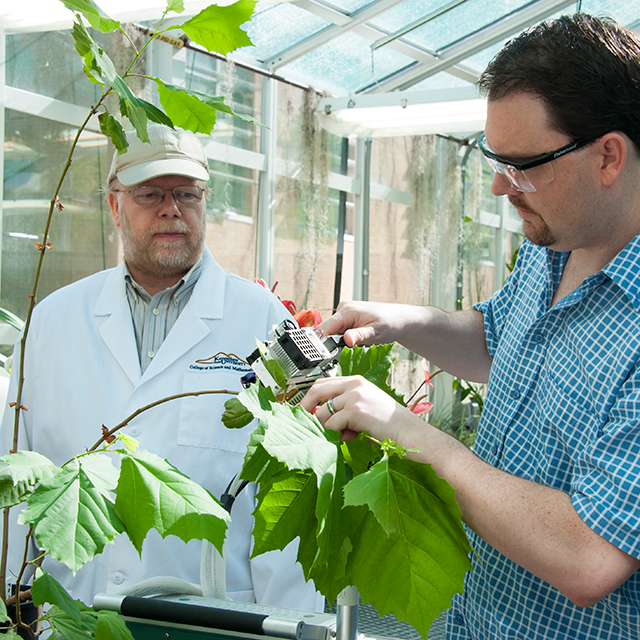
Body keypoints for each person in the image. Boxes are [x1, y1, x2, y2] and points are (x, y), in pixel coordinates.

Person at [301, 13, 640, 640]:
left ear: (609, 156)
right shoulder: (553, 242)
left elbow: (590, 557)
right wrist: (399, 322)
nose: (498, 186)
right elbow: (500, 344)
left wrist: (409, 432)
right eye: (495, 159)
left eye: (523, 165)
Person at [0, 124, 323, 612]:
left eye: (187, 193)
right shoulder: (51, 321)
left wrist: (294, 623)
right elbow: (18, 475)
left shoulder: (267, 321)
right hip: (73, 613)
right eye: (149, 193)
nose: (171, 208)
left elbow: (294, 491)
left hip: (209, 617)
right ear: (114, 205)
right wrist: (13, 602)